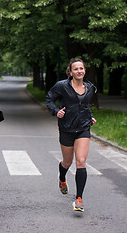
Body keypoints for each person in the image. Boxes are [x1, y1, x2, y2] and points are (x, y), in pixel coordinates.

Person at [46, 58, 97, 212]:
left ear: (85, 70)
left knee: (81, 161)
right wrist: (56, 111)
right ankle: (62, 177)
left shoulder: (90, 87)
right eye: (76, 69)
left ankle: (79, 199)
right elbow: (49, 99)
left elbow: (84, 106)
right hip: (66, 128)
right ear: (70, 71)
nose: (79, 71)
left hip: (83, 128)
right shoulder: (62, 86)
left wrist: (90, 116)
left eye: (81, 68)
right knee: (67, 162)